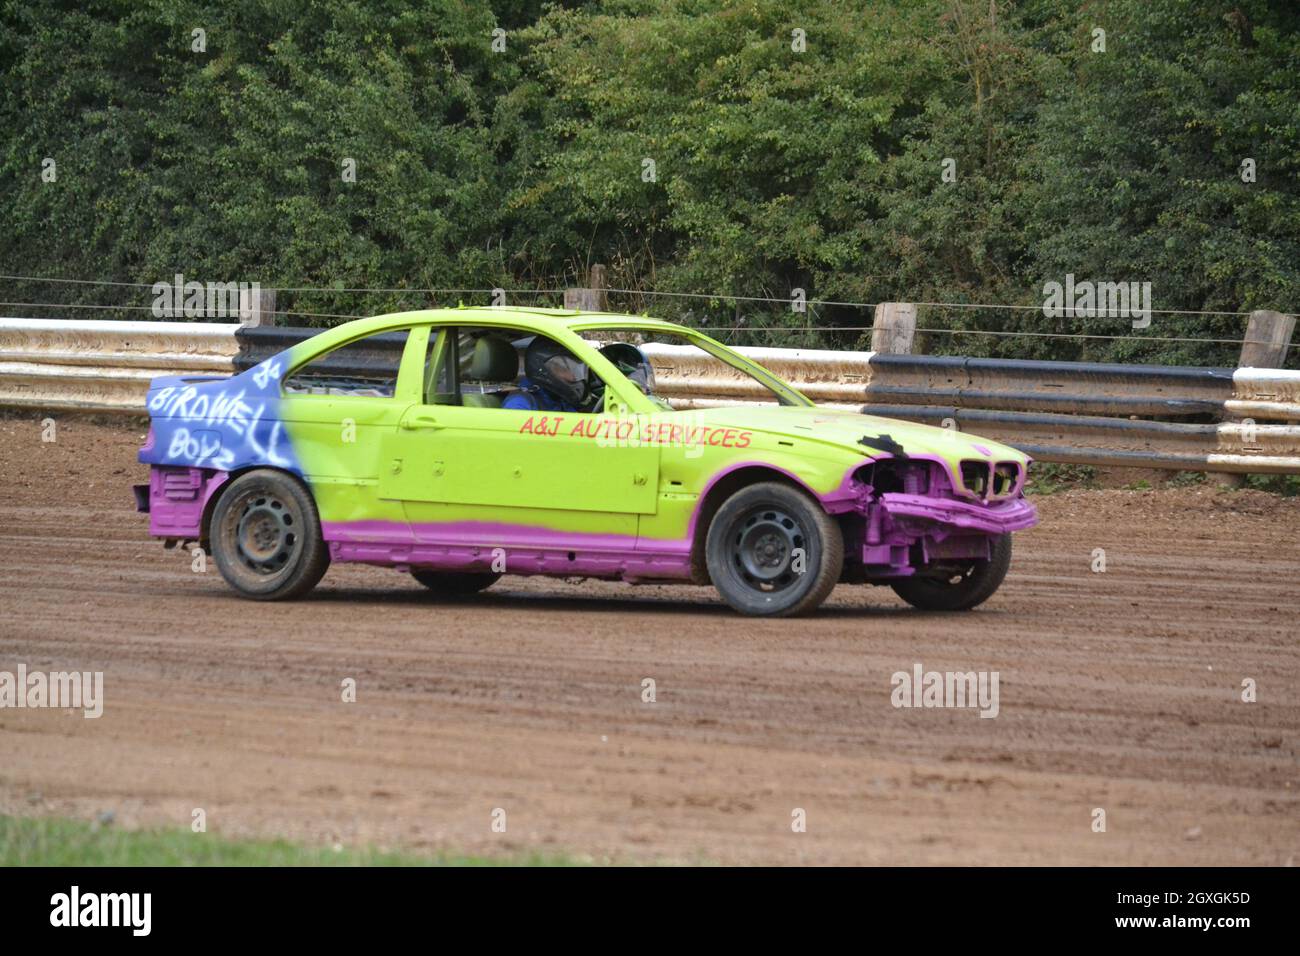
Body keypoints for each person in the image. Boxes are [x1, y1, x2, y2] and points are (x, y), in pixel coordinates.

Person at [502, 337, 593, 412]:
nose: (572, 376)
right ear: (545, 370)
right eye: (566, 369)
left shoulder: (557, 398)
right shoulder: (519, 404)